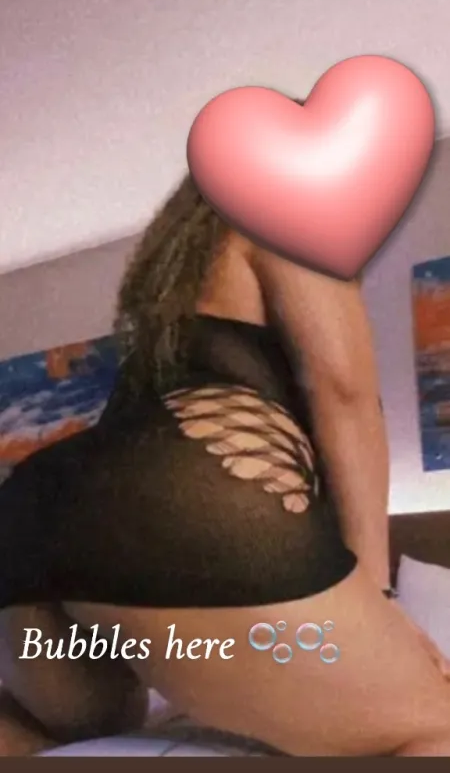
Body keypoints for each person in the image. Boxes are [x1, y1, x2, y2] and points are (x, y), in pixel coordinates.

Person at [0, 171, 450, 758]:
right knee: (438, 725)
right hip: (184, 501)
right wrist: (376, 597)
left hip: (34, 513)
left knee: (95, 723)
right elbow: (345, 395)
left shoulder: (168, 295)